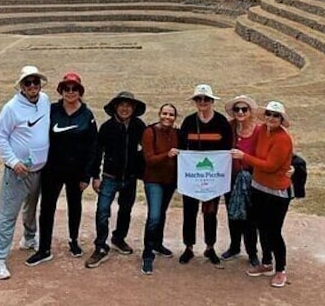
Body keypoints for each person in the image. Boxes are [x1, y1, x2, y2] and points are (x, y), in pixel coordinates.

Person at [26, 72, 97, 267]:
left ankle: (73, 241)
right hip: (52, 169)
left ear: (80, 91)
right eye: (67, 88)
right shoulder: (52, 111)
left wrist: (87, 175)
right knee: (47, 208)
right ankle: (44, 249)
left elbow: (93, 147)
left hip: (76, 172)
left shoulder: (87, 115)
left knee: (75, 206)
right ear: (61, 91)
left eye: (74, 89)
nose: (71, 92)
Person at [0, 65, 51, 281]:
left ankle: (29, 239)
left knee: (31, 209)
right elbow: (0, 136)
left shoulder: (45, 100)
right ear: (22, 86)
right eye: (28, 83)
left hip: (39, 170)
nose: (33, 86)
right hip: (17, 172)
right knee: (8, 215)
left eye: (36, 82)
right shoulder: (11, 108)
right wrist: (13, 161)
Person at [231, 101, 294, 288]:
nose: (271, 118)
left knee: (274, 231)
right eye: (268, 114)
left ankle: (280, 269)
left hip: (277, 191)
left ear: (281, 119)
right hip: (258, 186)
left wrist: (244, 157)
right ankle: (266, 263)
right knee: (261, 226)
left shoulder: (283, 138)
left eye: (275, 115)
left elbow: (270, 165)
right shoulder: (262, 132)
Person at [85, 91, 147, 268]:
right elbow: (97, 153)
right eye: (121, 105)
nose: (125, 108)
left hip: (130, 177)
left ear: (134, 108)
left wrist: (142, 170)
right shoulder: (106, 127)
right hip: (110, 177)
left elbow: (146, 149)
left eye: (128, 105)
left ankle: (119, 238)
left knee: (126, 210)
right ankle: (100, 246)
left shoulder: (139, 126)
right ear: (115, 107)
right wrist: (95, 176)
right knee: (102, 211)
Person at [177, 84, 233, 267]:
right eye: (199, 99)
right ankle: (189, 246)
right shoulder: (188, 122)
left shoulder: (222, 122)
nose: (202, 102)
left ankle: (210, 246)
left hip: (213, 177)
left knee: (210, 213)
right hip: (192, 176)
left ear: (211, 101)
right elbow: (181, 146)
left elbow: (227, 148)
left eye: (206, 99)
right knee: (189, 212)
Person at [140, 103, 180, 275]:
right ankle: (147, 254)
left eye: (171, 115)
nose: (167, 117)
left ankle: (158, 243)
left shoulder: (176, 133)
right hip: (153, 180)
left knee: (162, 212)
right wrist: (167, 155)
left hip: (170, 180)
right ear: (159, 114)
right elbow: (149, 159)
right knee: (154, 215)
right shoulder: (150, 132)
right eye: (165, 113)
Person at [221, 95, 261, 267]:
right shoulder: (229, 127)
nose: (240, 112)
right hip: (230, 177)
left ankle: (252, 251)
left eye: (244, 109)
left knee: (250, 218)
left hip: (251, 179)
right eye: (237, 109)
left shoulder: (258, 131)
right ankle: (234, 246)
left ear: (250, 112)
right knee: (233, 213)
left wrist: (245, 157)